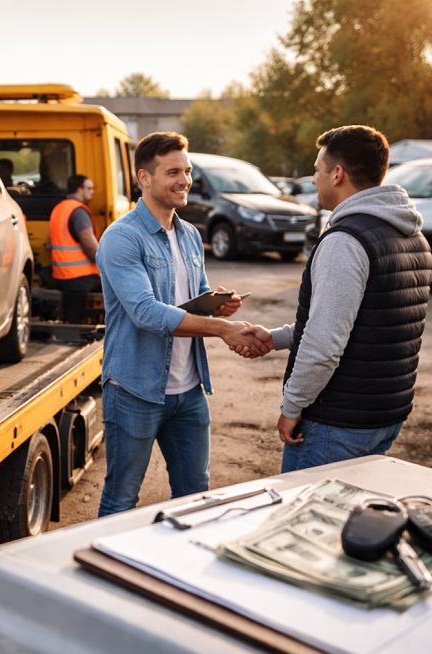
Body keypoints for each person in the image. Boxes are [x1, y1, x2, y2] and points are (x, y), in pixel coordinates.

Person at [95, 132, 269, 517]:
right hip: (135, 390)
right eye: (173, 172)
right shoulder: (122, 238)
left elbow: (194, 297)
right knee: (122, 499)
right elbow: (146, 312)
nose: (185, 180)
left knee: (195, 495)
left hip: (189, 392)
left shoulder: (189, 234)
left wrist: (217, 304)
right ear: (144, 177)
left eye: (187, 171)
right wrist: (223, 330)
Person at [242, 125, 432, 473]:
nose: (314, 179)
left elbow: (325, 343)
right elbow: (363, 322)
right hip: (384, 417)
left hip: (336, 422)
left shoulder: (345, 241)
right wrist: (277, 338)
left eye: (317, 170)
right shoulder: (412, 236)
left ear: (338, 174)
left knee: (308, 508)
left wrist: (292, 406)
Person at [49, 174, 100, 323]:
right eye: (89, 188)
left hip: (62, 275)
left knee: (72, 316)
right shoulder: (78, 212)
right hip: (82, 276)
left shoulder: (59, 208)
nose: (92, 192)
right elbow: (89, 245)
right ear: (79, 189)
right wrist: (106, 264)